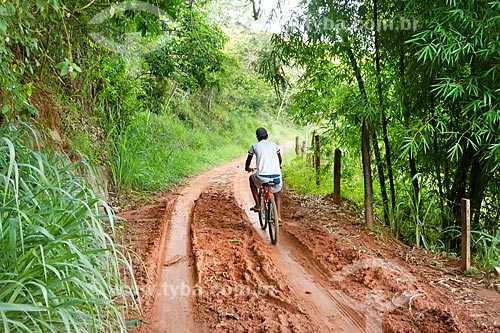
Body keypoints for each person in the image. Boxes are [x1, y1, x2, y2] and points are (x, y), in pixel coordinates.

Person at [245, 127, 283, 225]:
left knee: (251, 179)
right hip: (276, 176)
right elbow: (280, 160)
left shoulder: (254, 146)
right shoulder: (274, 145)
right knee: (277, 193)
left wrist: (247, 168)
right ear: (267, 136)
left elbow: (248, 161)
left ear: (257, 137)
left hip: (262, 176)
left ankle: (257, 205)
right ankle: (278, 216)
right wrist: (278, 167)